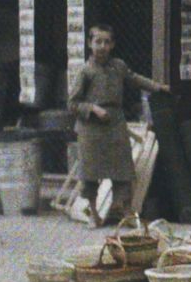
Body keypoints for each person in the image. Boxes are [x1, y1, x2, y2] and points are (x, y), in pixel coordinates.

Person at [70, 24, 167, 226]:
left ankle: (126, 214)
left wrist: (157, 87)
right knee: (91, 174)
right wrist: (93, 109)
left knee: (122, 171)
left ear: (112, 44)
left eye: (107, 42)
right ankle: (93, 214)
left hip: (115, 124)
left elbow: (134, 79)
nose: (102, 47)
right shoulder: (85, 71)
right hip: (91, 129)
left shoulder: (118, 66)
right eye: (98, 42)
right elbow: (72, 103)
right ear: (89, 43)